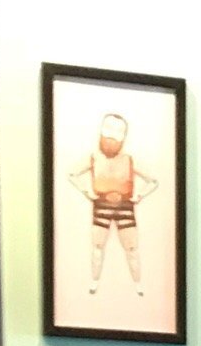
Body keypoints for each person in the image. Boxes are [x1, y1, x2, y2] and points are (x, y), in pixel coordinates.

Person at [69, 113, 160, 295]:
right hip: (100, 205)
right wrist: (87, 192)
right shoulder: (94, 157)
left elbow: (153, 181)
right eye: (107, 138)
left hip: (125, 206)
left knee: (131, 248)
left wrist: (139, 195)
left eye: (114, 139)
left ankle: (138, 285)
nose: (110, 143)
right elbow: (72, 174)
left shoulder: (129, 159)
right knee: (97, 246)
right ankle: (94, 282)